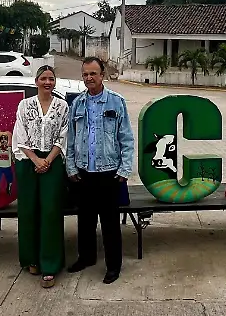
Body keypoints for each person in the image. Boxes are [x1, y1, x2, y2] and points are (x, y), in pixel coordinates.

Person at [64, 56, 135, 284]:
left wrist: (124, 170)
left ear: (102, 75)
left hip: (109, 173)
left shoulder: (116, 101)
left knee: (110, 223)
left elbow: (126, 138)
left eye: (93, 73)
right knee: (85, 220)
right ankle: (86, 257)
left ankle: (113, 267)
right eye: (85, 74)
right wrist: (71, 166)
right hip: (84, 173)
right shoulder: (78, 104)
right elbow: (71, 139)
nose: (89, 78)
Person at [12, 65, 69, 288]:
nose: (47, 82)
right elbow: (20, 135)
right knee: (28, 211)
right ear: (36, 81)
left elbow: (64, 136)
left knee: (51, 212)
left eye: (51, 78)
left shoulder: (62, 107)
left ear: (55, 82)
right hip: (28, 163)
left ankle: (50, 264)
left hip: (53, 163)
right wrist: (36, 160)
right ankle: (31, 259)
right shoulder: (25, 105)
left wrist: (48, 160)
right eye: (43, 78)